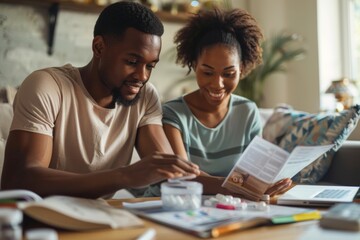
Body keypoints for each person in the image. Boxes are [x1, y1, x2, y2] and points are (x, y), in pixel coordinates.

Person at [1, 1, 200, 198]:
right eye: (132, 62)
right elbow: (20, 179)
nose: (143, 76)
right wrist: (123, 176)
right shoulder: (48, 86)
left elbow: (168, 171)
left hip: (101, 217)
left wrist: (228, 185)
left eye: (150, 66)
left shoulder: (145, 96)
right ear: (99, 47)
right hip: (41, 217)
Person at [159, 8, 292, 196]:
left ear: (242, 69)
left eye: (229, 74)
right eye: (207, 72)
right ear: (194, 64)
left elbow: (254, 174)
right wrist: (244, 188)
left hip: (230, 205)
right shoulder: (173, 114)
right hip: (182, 202)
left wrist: (264, 184)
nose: (217, 84)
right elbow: (181, 177)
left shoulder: (247, 111)